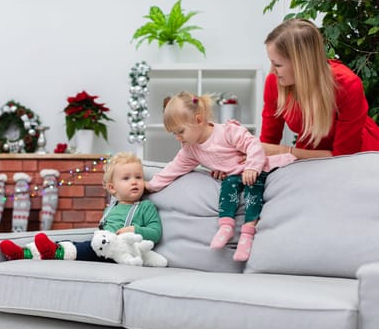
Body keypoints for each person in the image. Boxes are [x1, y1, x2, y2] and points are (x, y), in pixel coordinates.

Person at [145, 92, 295, 261]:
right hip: (233, 176)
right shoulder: (191, 150)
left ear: (199, 120)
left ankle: (248, 232)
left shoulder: (227, 132)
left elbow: (253, 145)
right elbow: (173, 169)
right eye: (174, 134)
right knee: (227, 187)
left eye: (180, 131)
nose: (178, 138)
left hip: (253, 170)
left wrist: (252, 167)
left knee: (253, 190)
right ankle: (226, 225)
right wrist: (151, 186)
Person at [0, 151, 162, 262]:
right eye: (126, 178)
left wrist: (133, 230)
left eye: (138, 177)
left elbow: (156, 233)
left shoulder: (144, 207)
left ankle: (54, 252)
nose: (134, 181)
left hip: (119, 253)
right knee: (70, 243)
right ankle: (25, 253)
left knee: (83, 249)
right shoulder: (112, 206)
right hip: (101, 244)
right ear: (112, 188)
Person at [260, 18, 379, 159]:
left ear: (301, 65)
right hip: (309, 155)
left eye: (278, 65)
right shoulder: (275, 82)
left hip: (358, 157)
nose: (272, 70)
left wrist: (284, 151)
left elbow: (343, 156)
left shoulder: (347, 85)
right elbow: (267, 144)